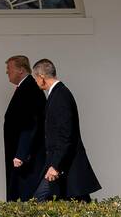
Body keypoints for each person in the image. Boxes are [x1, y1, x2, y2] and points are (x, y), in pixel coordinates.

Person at [30, 58, 101, 201]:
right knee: (77, 201)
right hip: (63, 163)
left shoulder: (60, 96)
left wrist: (55, 166)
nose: (35, 82)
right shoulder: (57, 94)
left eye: (35, 78)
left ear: (42, 78)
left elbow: (65, 134)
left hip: (64, 163)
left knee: (39, 198)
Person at [3, 55, 45, 201]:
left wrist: (21, 153)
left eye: (9, 69)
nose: (7, 72)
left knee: (23, 194)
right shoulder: (25, 87)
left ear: (21, 70)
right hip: (20, 154)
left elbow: (31, 123)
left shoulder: (29, 89)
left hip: (25, 158)